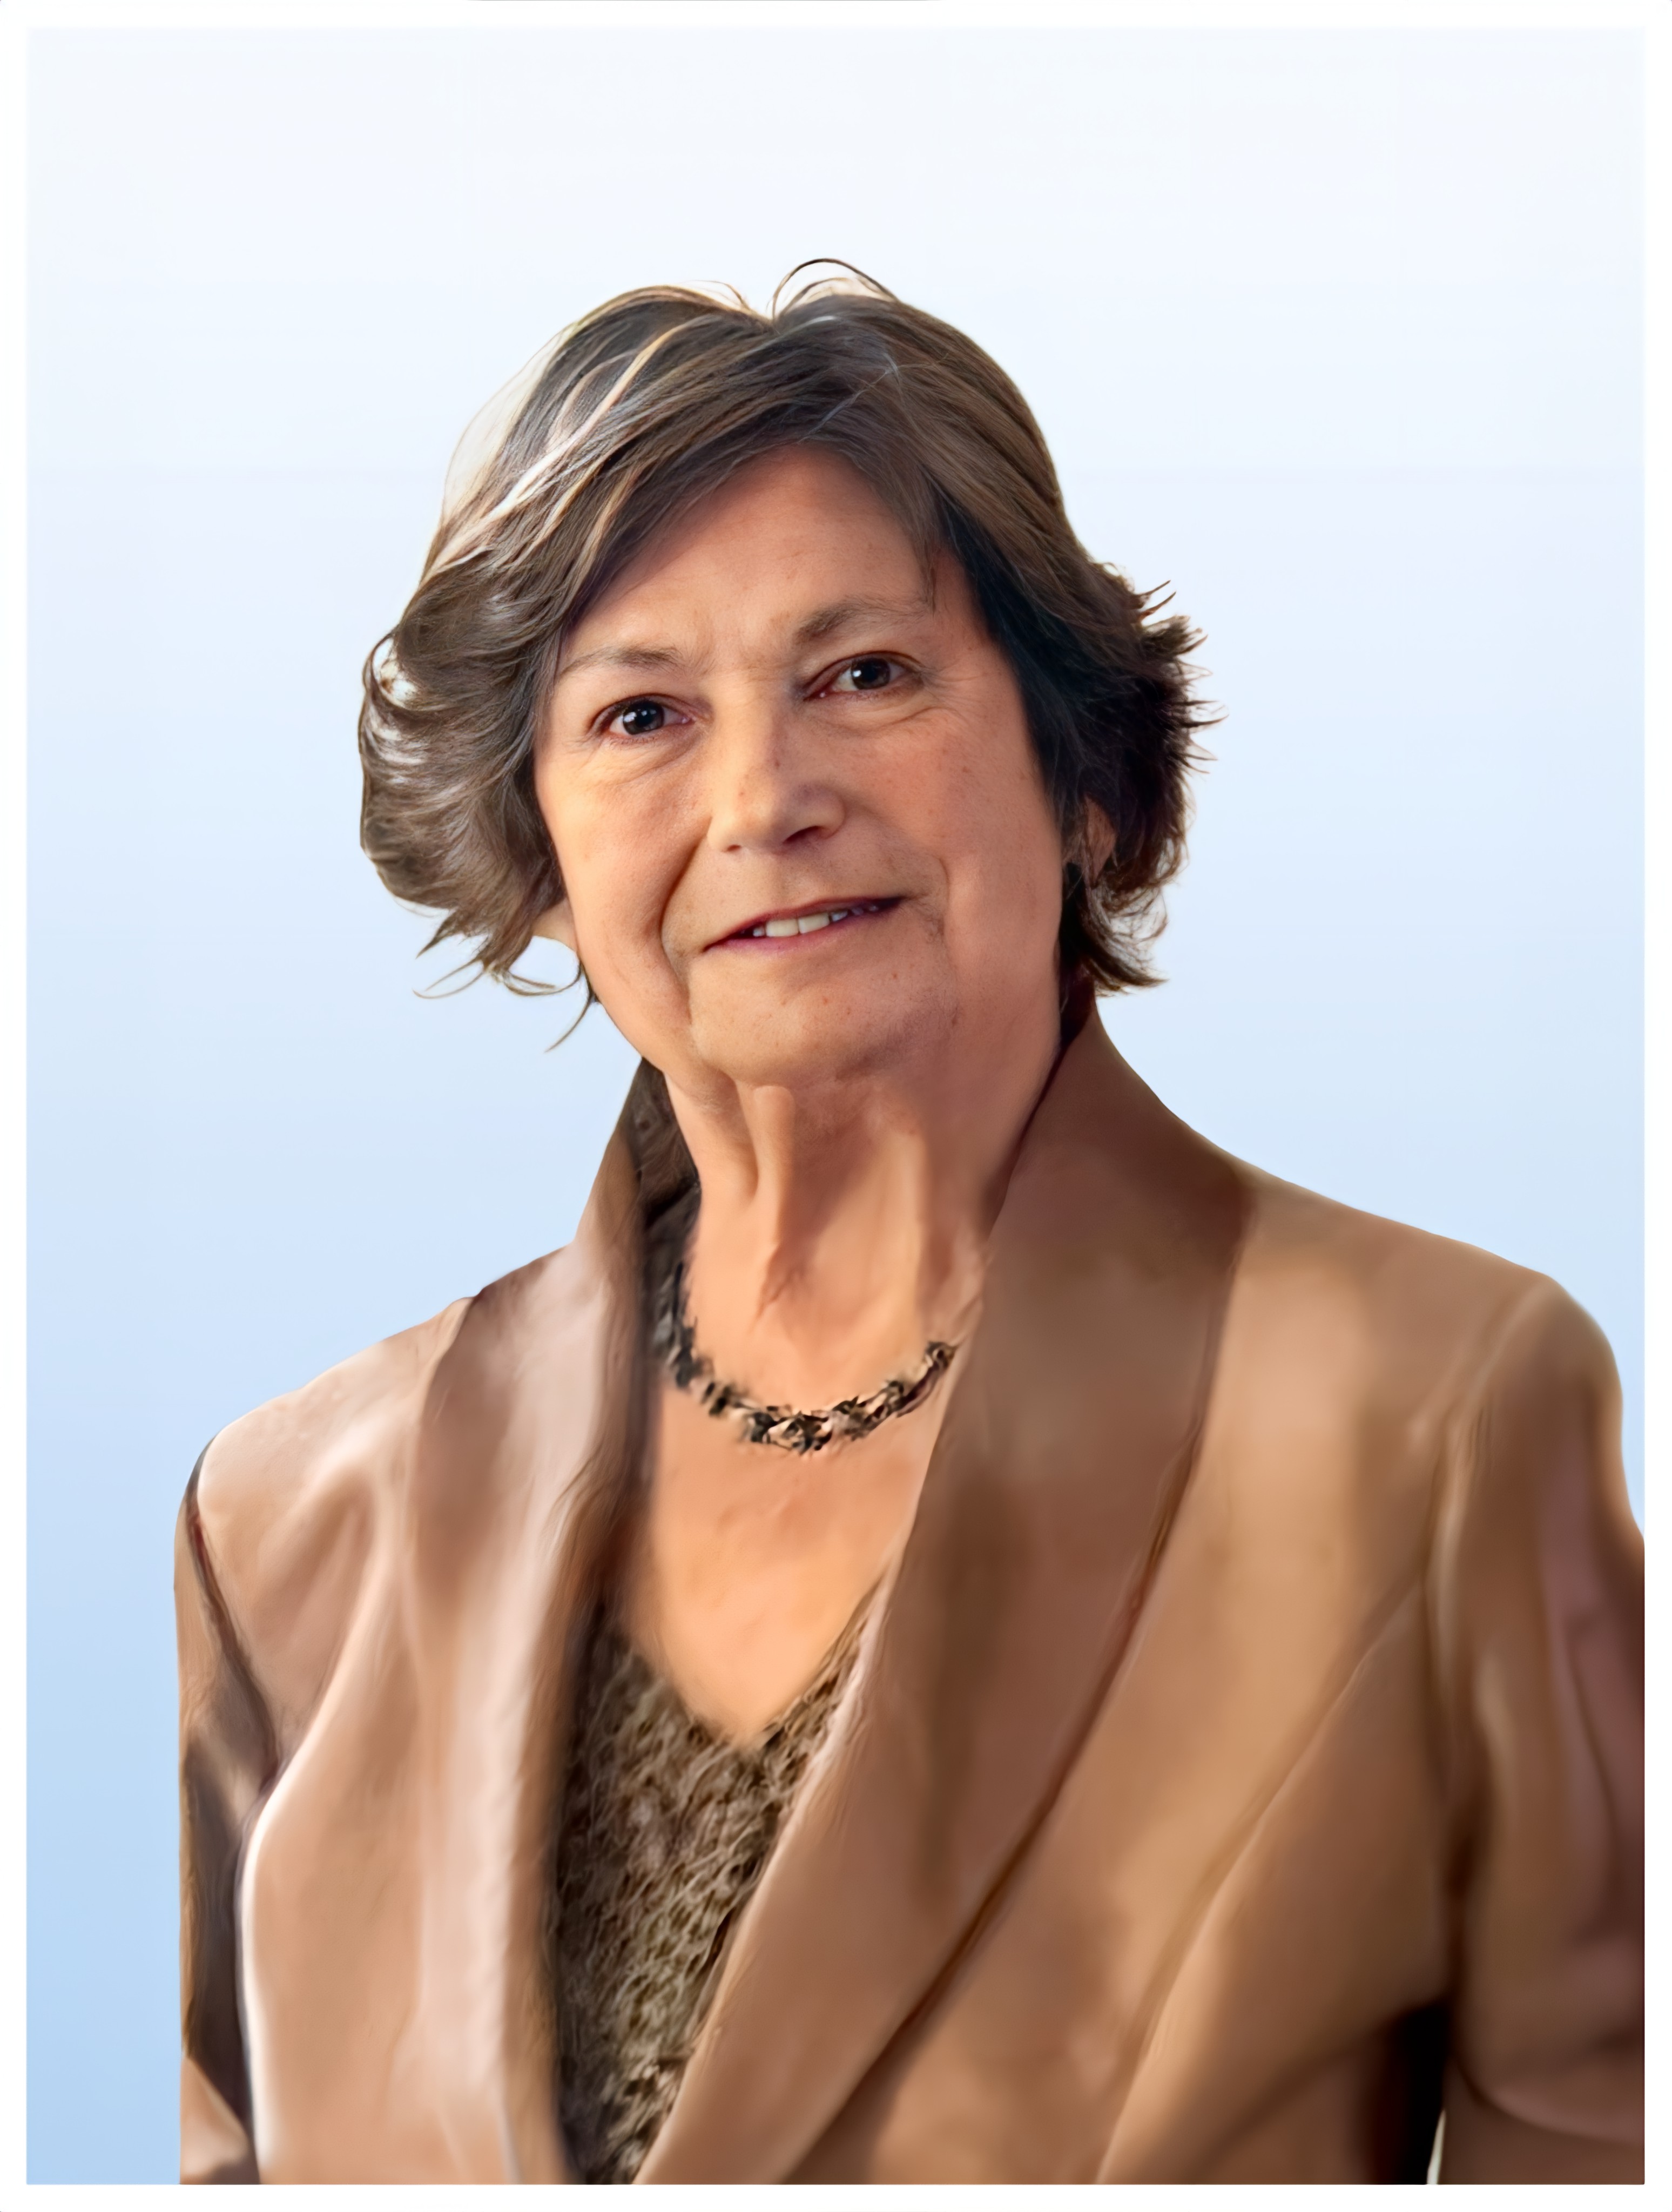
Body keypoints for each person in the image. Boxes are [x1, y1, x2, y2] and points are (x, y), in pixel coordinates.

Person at [174, 271, 1642, 2185]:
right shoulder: (285, 1526)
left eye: (864, 675)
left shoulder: (1437, 1419)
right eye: (640, 714)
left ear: (1087, 776)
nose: (764, 799)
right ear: (532, 859)